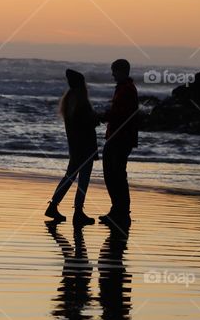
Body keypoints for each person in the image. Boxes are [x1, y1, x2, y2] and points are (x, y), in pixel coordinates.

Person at [45, 69, 98, 226]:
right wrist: (98, 118)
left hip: (75, 147)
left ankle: (54, 205)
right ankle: (78, 212)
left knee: (70, 177)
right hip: (85, 147)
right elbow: (88, 123)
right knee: (83, 180)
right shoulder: (81, 102)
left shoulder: (69, 100)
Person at [99, 59, 138, 231]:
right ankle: (118, 211)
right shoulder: (125, 88)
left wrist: (102, 115)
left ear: (122, 71)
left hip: (120, 138)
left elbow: (120, 114)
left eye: (114, 71)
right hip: (119, 137)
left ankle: (121, 212)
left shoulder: (127, 89)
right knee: (115, 174)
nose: (112, 74)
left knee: (115, 175)